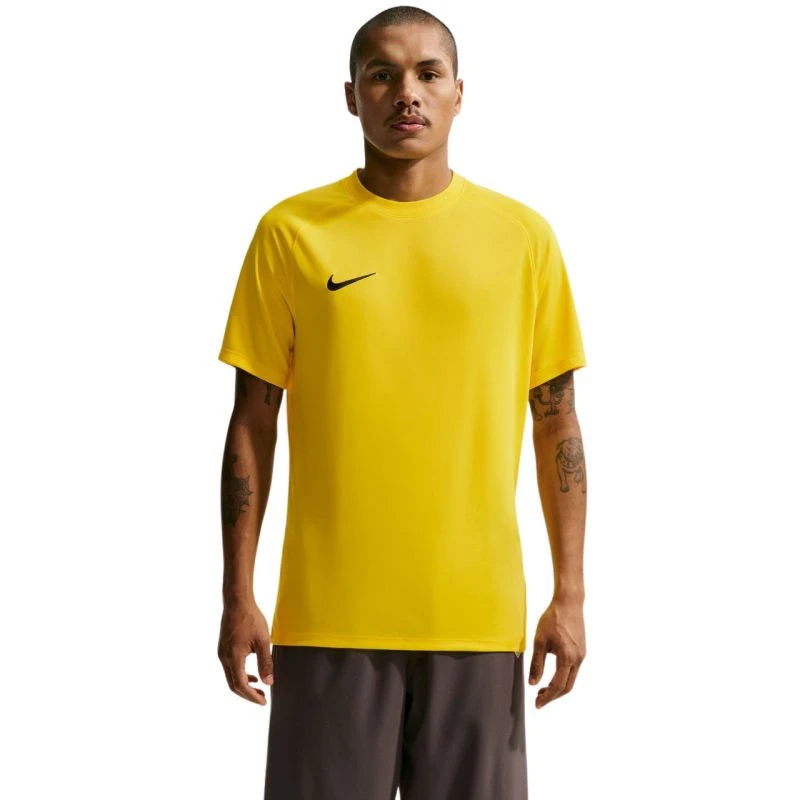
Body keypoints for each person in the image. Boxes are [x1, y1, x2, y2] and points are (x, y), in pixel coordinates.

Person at [216, 5, 588, 799]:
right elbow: (252, 421)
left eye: (428, 72)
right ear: (352, 96)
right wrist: (237, 594)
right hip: (326, 618)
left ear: (460, 93)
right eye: (382, 74)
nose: (406, 92)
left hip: (477, 621)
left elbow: (556, 421)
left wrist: (571, 595)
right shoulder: (291, 232)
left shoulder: (524, 239)